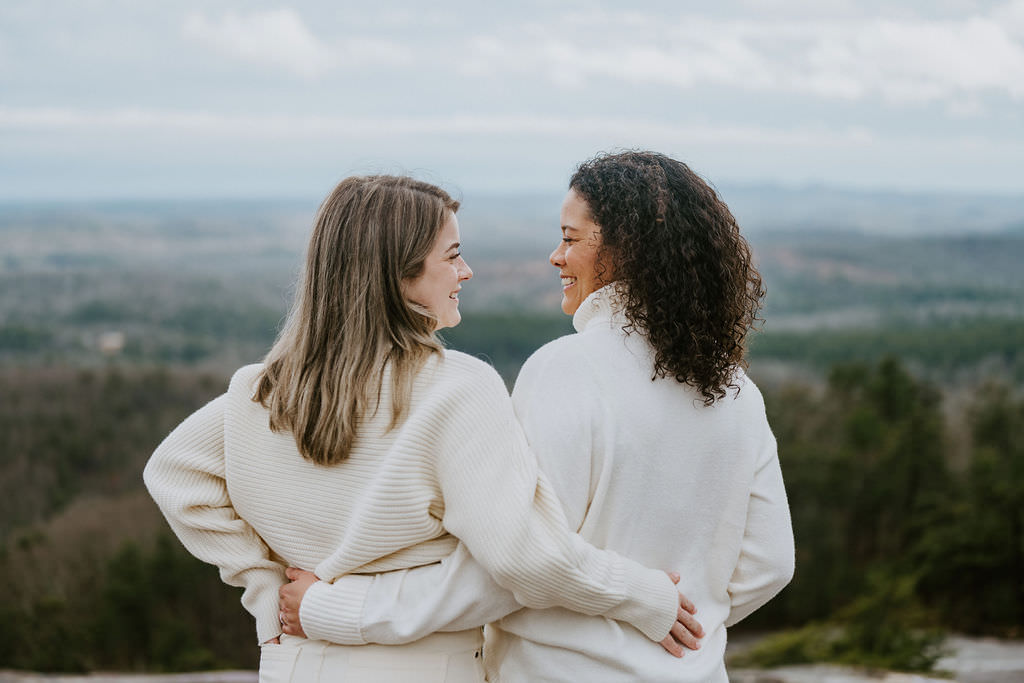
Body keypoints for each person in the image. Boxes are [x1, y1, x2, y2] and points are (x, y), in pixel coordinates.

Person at [143, 174, 701, 683]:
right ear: (401, 274)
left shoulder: (261, 389)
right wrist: (643, 596)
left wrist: (268, 595)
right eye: (452, 257)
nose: (466, 272)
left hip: (294, 664)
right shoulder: (457, 388)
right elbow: (522, 557)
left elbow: (173, 475)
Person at [277, 152, 795, 682]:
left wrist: (338, 609)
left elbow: (510, 566)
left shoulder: (566, 370)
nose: (556, 256)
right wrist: (683, 622)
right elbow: (771, 564)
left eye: (571, 238)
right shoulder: (736, 391)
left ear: (625, 251)